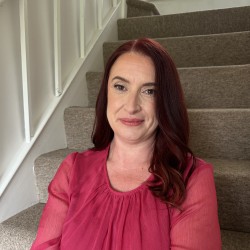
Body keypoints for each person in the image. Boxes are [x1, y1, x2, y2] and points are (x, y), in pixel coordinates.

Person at [31, 38, 221, 249]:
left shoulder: (193, 177)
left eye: (149, 91)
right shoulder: (73, 169)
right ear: (106, 94)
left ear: (166, 101)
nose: (131, 107)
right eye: (120, 87)